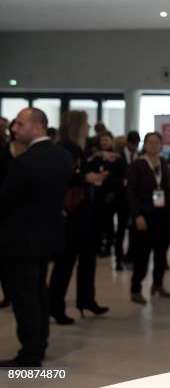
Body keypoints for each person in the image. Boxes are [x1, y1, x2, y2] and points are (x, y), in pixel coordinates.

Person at [0, 108, 72, 367]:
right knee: (38, 293)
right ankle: (39, 344)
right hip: (47, 237)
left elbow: (5, 203)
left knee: (25, 297)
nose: (14, 128)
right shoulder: (63, 157)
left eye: (20, 124)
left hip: (19, 241)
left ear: (39, 126)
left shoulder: (25, 162)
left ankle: (30, 352)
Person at [48, 110, 109, 325]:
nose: (89, 127)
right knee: (67, 260)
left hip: (82, 213)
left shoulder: (75, 148)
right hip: (73, 214)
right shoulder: (68, 148)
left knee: (86, 257)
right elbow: (65, 175)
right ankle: (56, 305)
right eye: (86, 124)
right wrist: (86, 176)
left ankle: (86, 300)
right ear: (77, 126)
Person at [127, 132, 170, 304]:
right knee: (142, 254)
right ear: (145, 145)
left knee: (161, 253)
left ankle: (157, 284)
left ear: (161, 145)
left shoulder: (163, 163)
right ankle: (136, 288)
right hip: (144, 215)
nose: (154, 145)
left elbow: (167, 188)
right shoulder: (137, 165)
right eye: (150, 142)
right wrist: (137, 215)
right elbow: (131, 192)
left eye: (157, 142)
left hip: (162, 215)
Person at [0, 120, 29, 309]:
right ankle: (9, 293)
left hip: (26, 210)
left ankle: (23, 292)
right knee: (5, 256)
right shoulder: (4, 150)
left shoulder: (32, 151)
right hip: (5, 209)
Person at [89, 131, 126, 259]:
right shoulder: (96, 156)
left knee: (108, 222)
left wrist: (108, 178)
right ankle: (97, 245)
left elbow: (122, 178)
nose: (104, 142)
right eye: (102, 140)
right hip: (96, 194)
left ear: (111, 141)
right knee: (96, 222)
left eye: (107, 139)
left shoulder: (117, 158)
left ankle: (108, 246)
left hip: (111, 195)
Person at [115, 130, 141, 267]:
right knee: (121, 229)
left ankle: (130, 257)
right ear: (128, 143)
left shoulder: (139, 156)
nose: (134, 147)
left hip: (135, 200)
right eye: (133, 144)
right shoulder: (119, 157)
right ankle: (118, 259)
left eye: (136, 144)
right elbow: (113, 177)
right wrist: (125, 182)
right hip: (122, 199)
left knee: (134, 230)